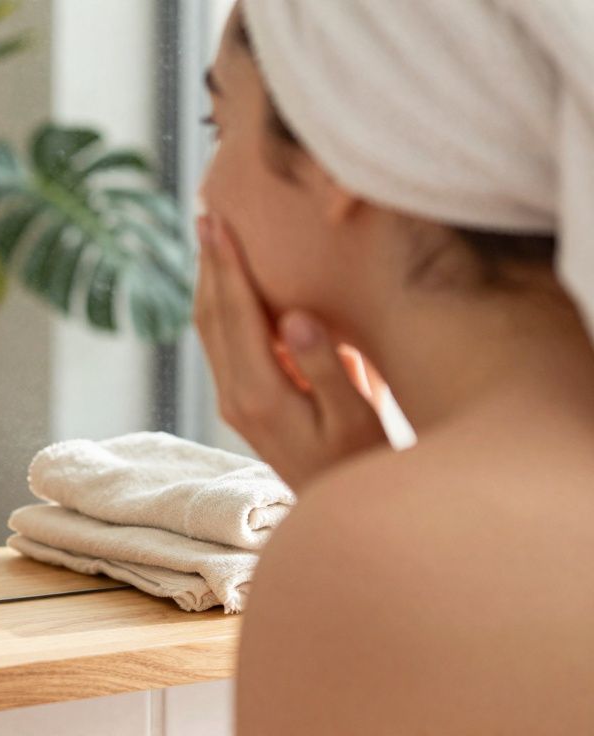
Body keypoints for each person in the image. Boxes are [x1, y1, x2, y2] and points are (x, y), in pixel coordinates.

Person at [196, 1, 594, 732]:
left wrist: (351, 520)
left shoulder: (373, 563)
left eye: (218, 126)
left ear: (333, 150)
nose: (205, 192)